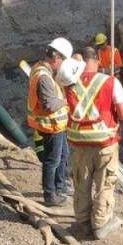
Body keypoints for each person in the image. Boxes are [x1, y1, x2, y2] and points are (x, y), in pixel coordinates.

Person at [58, 46, 123, 240]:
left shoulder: (69, 82)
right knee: (104, 184)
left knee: (81, 183)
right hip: (105, 144)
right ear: (98, 59)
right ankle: (100, 224)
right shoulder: (110, 82)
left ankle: (82, 223)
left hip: (79, 144)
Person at [27, 37, 73, 206]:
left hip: (56, 125)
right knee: (52, 160)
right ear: (56, 58)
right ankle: (50, 195)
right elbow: (49, 105)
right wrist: (66, 100)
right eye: (62, 61)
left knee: (62, 156)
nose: (62, 66)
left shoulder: (41, 70)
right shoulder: (44, 77)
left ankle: (60, 187)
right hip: (50, 125)